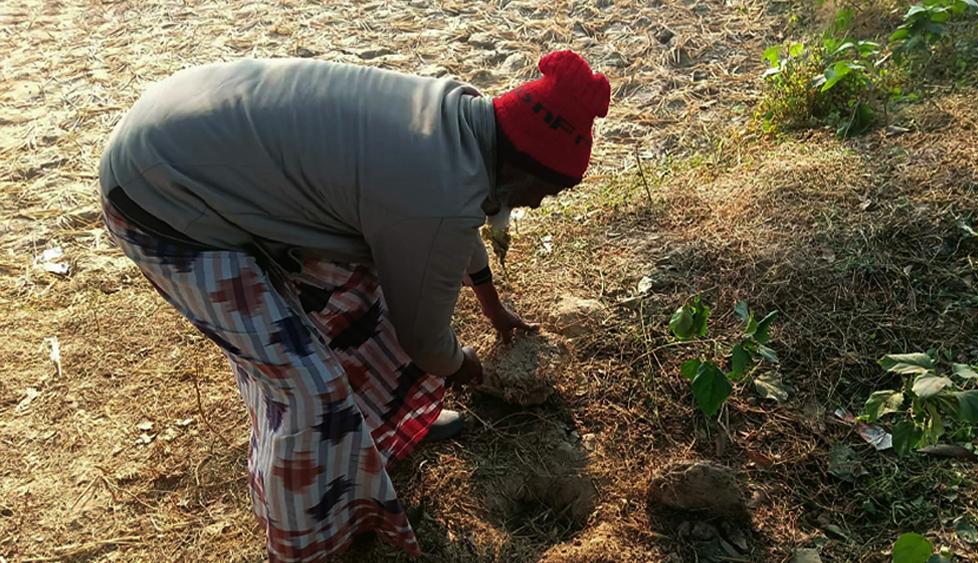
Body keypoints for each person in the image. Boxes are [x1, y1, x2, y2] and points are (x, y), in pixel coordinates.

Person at [98, 49, 610, 561]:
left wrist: (492, 306)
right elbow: (426, 339)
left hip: (194, 126)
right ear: (525, 164)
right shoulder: (439, 188)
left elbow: (454, 215)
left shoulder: (466, 119)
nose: (542, 203)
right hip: (161, 193)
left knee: (364, 303)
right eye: (550, 189)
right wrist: (479, 373)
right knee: (305, 391)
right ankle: (306, 546)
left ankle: (384, 431)